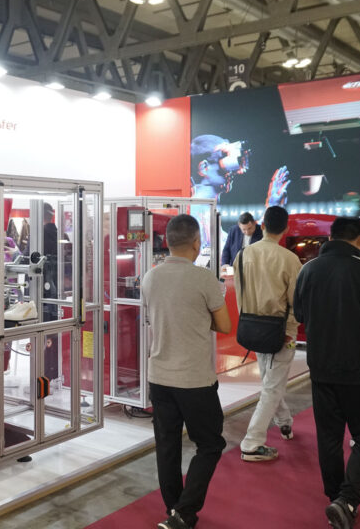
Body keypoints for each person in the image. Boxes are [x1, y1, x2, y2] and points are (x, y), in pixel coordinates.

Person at [293, 217, 360, 529]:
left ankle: (336, 497)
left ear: (331, 237)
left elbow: (299, 313)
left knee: (329, 437)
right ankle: (348, 498)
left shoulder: (308, 269)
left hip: (321, 367)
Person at [142, 214, 231, 529]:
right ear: (196, 243)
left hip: (159, 376)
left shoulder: (150, 277)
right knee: (210, 444)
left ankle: (174, 509)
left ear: (167, 242)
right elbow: (224, 325)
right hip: (194, 379)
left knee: (167, 446)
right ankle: (184, 512)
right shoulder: (204, 278)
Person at [233, 206, 300, 462]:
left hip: (252, 327)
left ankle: (284, 422)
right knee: (272, 386)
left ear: (262, 226)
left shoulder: (243, 255)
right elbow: (296, 301)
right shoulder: (289, 259)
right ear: (286, 229)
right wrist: (291, 328)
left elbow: (239, 294)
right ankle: (252, 442)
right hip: (281, 331)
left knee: (270, 381)